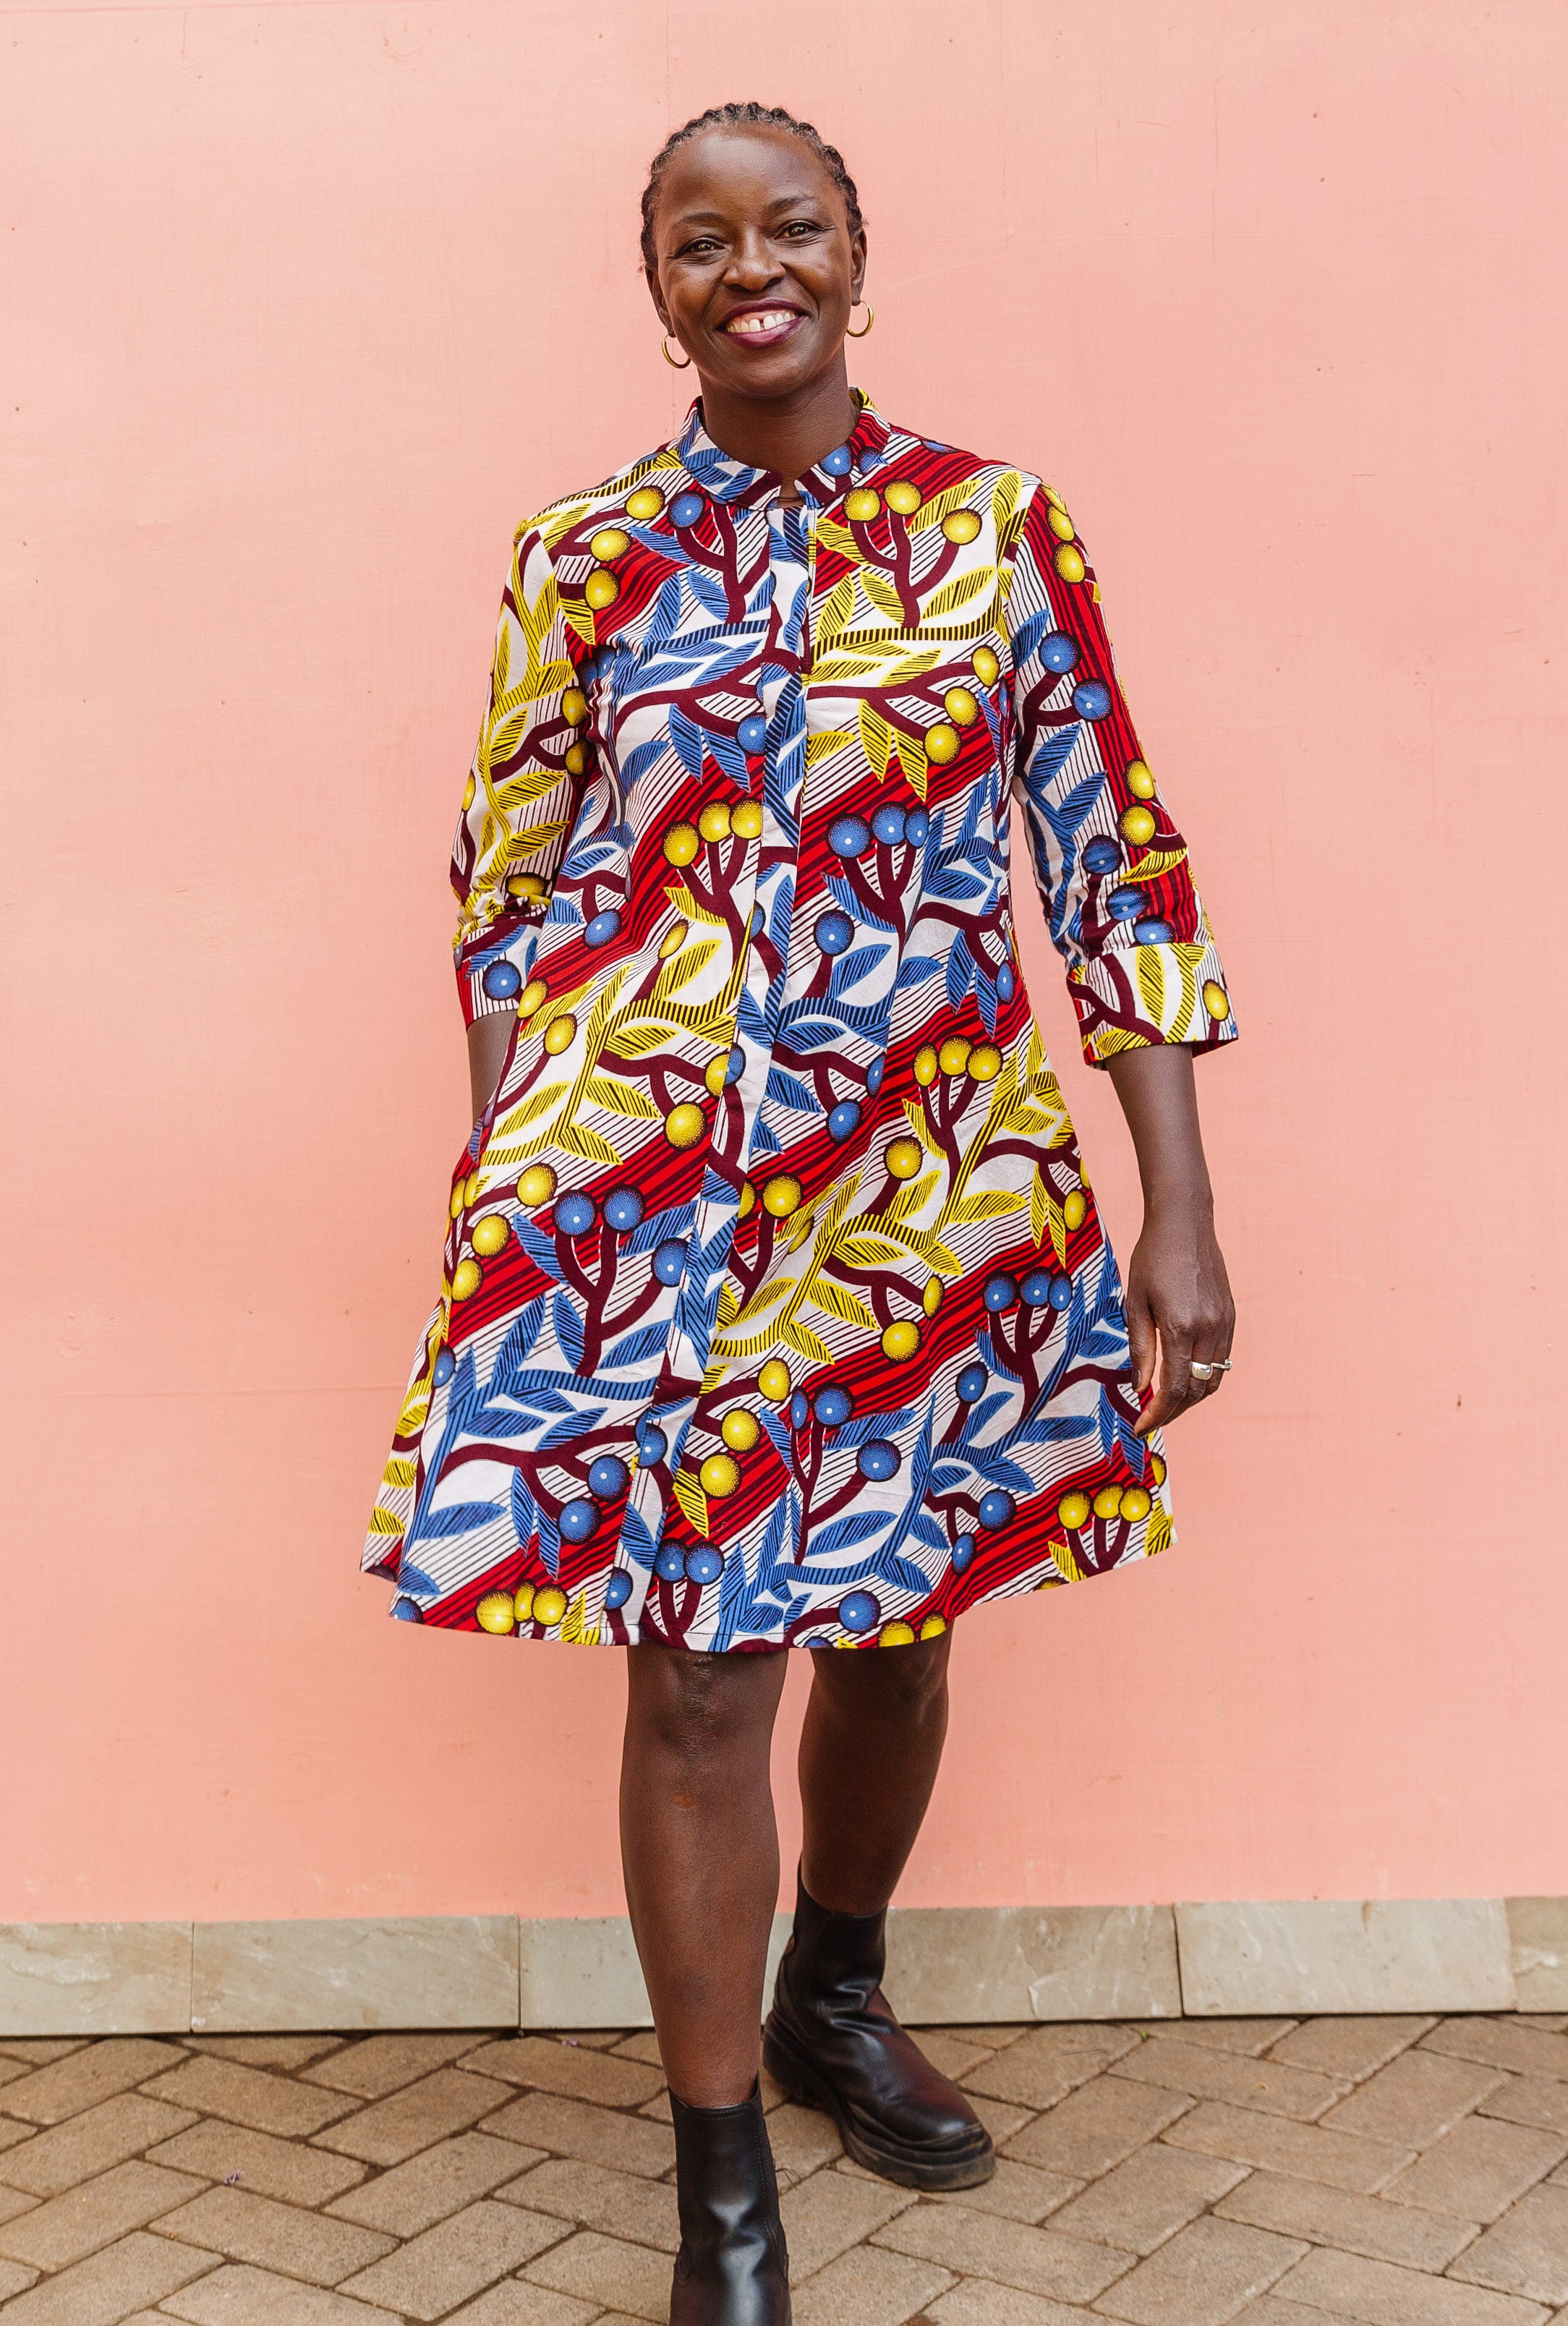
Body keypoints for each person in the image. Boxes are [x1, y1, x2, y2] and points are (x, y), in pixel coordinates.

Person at [365, 101, 1236, 2325]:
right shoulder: (582, 558)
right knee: (692, 1678)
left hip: (934, 1189)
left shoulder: (997, 531)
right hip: (655, 1213)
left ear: (858, 251)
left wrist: (1178, 1211)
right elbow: (514, 886)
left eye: (788, 228)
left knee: (897, 1625)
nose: (746, 268)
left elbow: (1106, 862)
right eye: (695, 240)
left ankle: (833, 1990)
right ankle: (722, 2194)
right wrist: (512, 1196)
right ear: (650, 283)